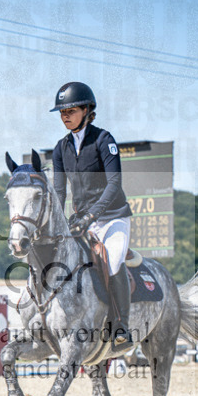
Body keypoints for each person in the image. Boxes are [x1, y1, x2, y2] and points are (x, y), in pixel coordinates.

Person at [49, 81, 133, 352]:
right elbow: (59, 192)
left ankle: (121, 325)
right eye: (62, 112)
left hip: (113, 217)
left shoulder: (103, 140)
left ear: (86, 110)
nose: (65, 116)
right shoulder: (60, 148)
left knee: (113, 260)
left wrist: (93, 215)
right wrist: (58, 222)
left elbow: (114, 184)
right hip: (81, 221)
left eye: (70, 110)